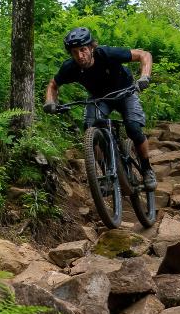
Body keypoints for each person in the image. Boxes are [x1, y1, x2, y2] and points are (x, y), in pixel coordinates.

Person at [42, 26, 157, 191]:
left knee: (133, 127)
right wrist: (50, 101)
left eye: (83, 50)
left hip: (125, 92)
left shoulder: (107, 54)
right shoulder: (71, 67)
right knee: (91, 130)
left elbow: (144, 55)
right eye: (74, 52)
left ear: (91, 48)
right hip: (99, 98)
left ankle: (146, 169)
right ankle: (106, 174)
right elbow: (53, 84)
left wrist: (144, 76)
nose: (79, 56)